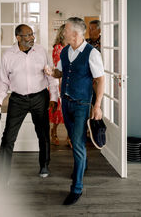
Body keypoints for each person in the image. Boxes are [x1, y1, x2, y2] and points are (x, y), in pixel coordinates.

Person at [45, 17, 105, 205]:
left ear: (76, 34)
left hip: (81, 104)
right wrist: (51, 72)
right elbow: (60, 72)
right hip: (66, 102)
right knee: (73, 138)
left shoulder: (92, 53)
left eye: (67, 30)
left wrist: (97, 106)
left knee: (78, 144)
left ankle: (76, 188)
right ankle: (83, 164)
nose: (63, 33)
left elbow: (100, 80)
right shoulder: (64, 51)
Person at [0, 24, 58, 189]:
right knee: (7, 139)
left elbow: (51, 76)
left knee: (43, 134)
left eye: (32, 34)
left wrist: (54, 97)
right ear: (18, 38)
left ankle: (44, 164)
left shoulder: (41, 51)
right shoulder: (8, 55)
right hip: (17, 100)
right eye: (28, 35)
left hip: (39, 98)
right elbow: (3, 81)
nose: (32, 38)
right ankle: (3, 177)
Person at [49, 24, 65, 146]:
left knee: (69, 110)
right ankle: (54, 130)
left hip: (71, 80)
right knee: (58, 109)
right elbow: (57, 66)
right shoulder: (58, 47)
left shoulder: (73, 46)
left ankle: (70, 137)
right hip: (59, 79)